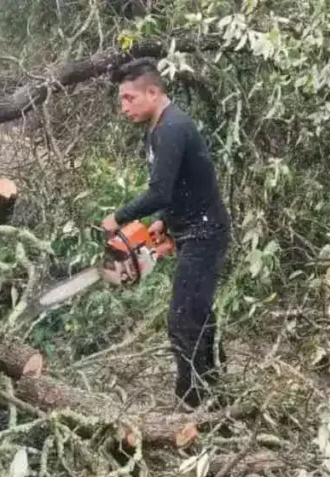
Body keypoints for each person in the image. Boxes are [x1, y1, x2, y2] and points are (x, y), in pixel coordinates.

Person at [101, 57, 231, 410]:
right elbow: (176, 189)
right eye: (122, 100)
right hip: (195, 230)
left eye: (130, 98)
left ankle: (191, 401)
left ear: (153, 92)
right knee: (198, 313)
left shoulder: (172, 128)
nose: (124, 107)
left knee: (182, 320)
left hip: (204, 233)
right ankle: (214, 393)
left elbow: (159, 190)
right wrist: (162, 219)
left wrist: (119, 217)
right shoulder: (162, 127)